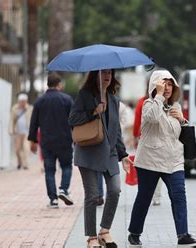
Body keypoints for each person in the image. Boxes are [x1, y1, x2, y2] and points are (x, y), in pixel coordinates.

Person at [128, 70, 196, 247]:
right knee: (144, 198)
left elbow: (177, 134)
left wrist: (183, 121)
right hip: (150, 160)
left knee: (179, 196)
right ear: (155, 86)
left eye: (170, 84)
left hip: (173, 160)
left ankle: (183, 235)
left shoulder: (175, 107)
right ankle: (134, 233)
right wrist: (159, 96)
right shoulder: (148, 104)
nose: (167, 88)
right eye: (163, 84)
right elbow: (152, 117)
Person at [69, 69, 133, 248]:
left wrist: (124, 155)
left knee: (115, 190)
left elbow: (117, 130)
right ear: (94, 75)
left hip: (110, 152)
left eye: (110, 73)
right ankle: (91, 237)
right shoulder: (85, 95)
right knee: (93, 195)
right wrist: (93, 112)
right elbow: (72, 119)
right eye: (103, 73)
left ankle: (104, 231)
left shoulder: (113, 99)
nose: (107, 76)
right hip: (89, 150)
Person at [28, 73, 75, 208]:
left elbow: (34, 122)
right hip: (64, 140)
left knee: (49, 170)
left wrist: (33, 141)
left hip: (47, 141)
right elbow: (73, 120)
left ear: (47, 85)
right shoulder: (67, 100)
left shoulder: (39, 101)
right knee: (66, 166)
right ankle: (64, 189)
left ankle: (53, 199)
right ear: (59, 84)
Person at [133, 88, 163, 206]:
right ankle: (156, 197)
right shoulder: (163, 102)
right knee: (159, 167)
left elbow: (137, 121)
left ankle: (145, 194)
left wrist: (136, 136)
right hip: (159, 139)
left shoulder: (142, 101)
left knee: (144, 168)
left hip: (144, 139)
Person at [9, 93, 33, 170]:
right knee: (17, 149)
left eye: (24, 101)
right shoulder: (14, 109)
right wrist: (11, 129)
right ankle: (20, 162)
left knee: (26, 148)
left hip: (27, 131)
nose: (22, 103)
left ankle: (26, 164)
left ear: (26, 101)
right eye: (21, 101)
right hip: (18, 132)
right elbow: (11, 120)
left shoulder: (29, 108)